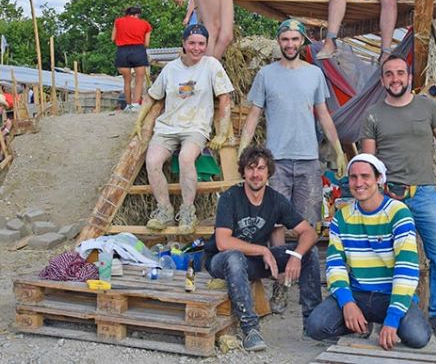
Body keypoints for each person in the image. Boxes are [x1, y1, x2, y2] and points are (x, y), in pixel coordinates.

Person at [239, 18, 347, 313]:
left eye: (294, 39)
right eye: (284, 39)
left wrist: (337, 150)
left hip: (309, 158)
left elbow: (324, 115)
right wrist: (242, 148)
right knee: (274, 222)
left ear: (302, 42)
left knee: (307, 222)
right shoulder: (266, 74)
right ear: (279, 42)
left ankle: (307, 284)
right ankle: (279, 284)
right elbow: (253, 115)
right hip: (275, 161)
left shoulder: (314, 74)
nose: (289, 44)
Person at [360, 55, 436, 340]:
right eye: (389, 74)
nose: (395, 79)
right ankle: (404, 311)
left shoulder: (428, 106)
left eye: (400, 73)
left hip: (425, 193)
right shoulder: (373, 113)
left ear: (409, 77)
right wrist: (375, 194)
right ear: (382, 80)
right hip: (391, 197)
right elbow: (368, 160)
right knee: (393, 258)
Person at [305, 153, 431, 350]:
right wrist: (347, 303)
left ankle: (385, 322)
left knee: (418, 337)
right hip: (358, 294)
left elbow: (406, 268)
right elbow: (335, 265)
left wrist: (393, 318)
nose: (358, 183)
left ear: (379, 179)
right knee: (315, 327)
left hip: (390, 294)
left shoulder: (398, 213)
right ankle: (363, 322)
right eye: (353, 177)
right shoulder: (343, 217)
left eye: (365, 176)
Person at [204, 145, 322, 352]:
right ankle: (251, 330)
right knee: (233, 256)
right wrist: (264, 250)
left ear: (269, 172)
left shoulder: (276, 200)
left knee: (308, 253)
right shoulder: (230, 198)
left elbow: (309, 232)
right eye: (250, 168)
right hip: (220, 261)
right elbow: (223, 242)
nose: (256, 174)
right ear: (243, 172)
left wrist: (296, 255)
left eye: (260, 169)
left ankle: (314, 323)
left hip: (253, 262)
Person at [137, 24, 234, 234]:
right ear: (183, 44)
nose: (196, 48)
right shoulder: (171, 69)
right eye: (192, 43)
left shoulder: (211, 65)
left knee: (186, 158)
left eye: (201, 43)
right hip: (168, 126)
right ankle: (164, 209)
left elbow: (225, 98)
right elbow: (153, 96)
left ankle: (188, 211)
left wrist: (222, 132)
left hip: (196, 126)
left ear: (206, 45)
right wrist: (139, 120)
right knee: (152, 161)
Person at [111, 6, 152, 112]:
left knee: (127, 81)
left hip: (122, 51)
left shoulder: (118, 21)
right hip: (138, 50)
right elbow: (146, 43)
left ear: (127, 14)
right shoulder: (145, 24)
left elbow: (112, 38)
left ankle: (128, 105)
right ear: (138, 14)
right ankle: (135, 105)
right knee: (139, 80)